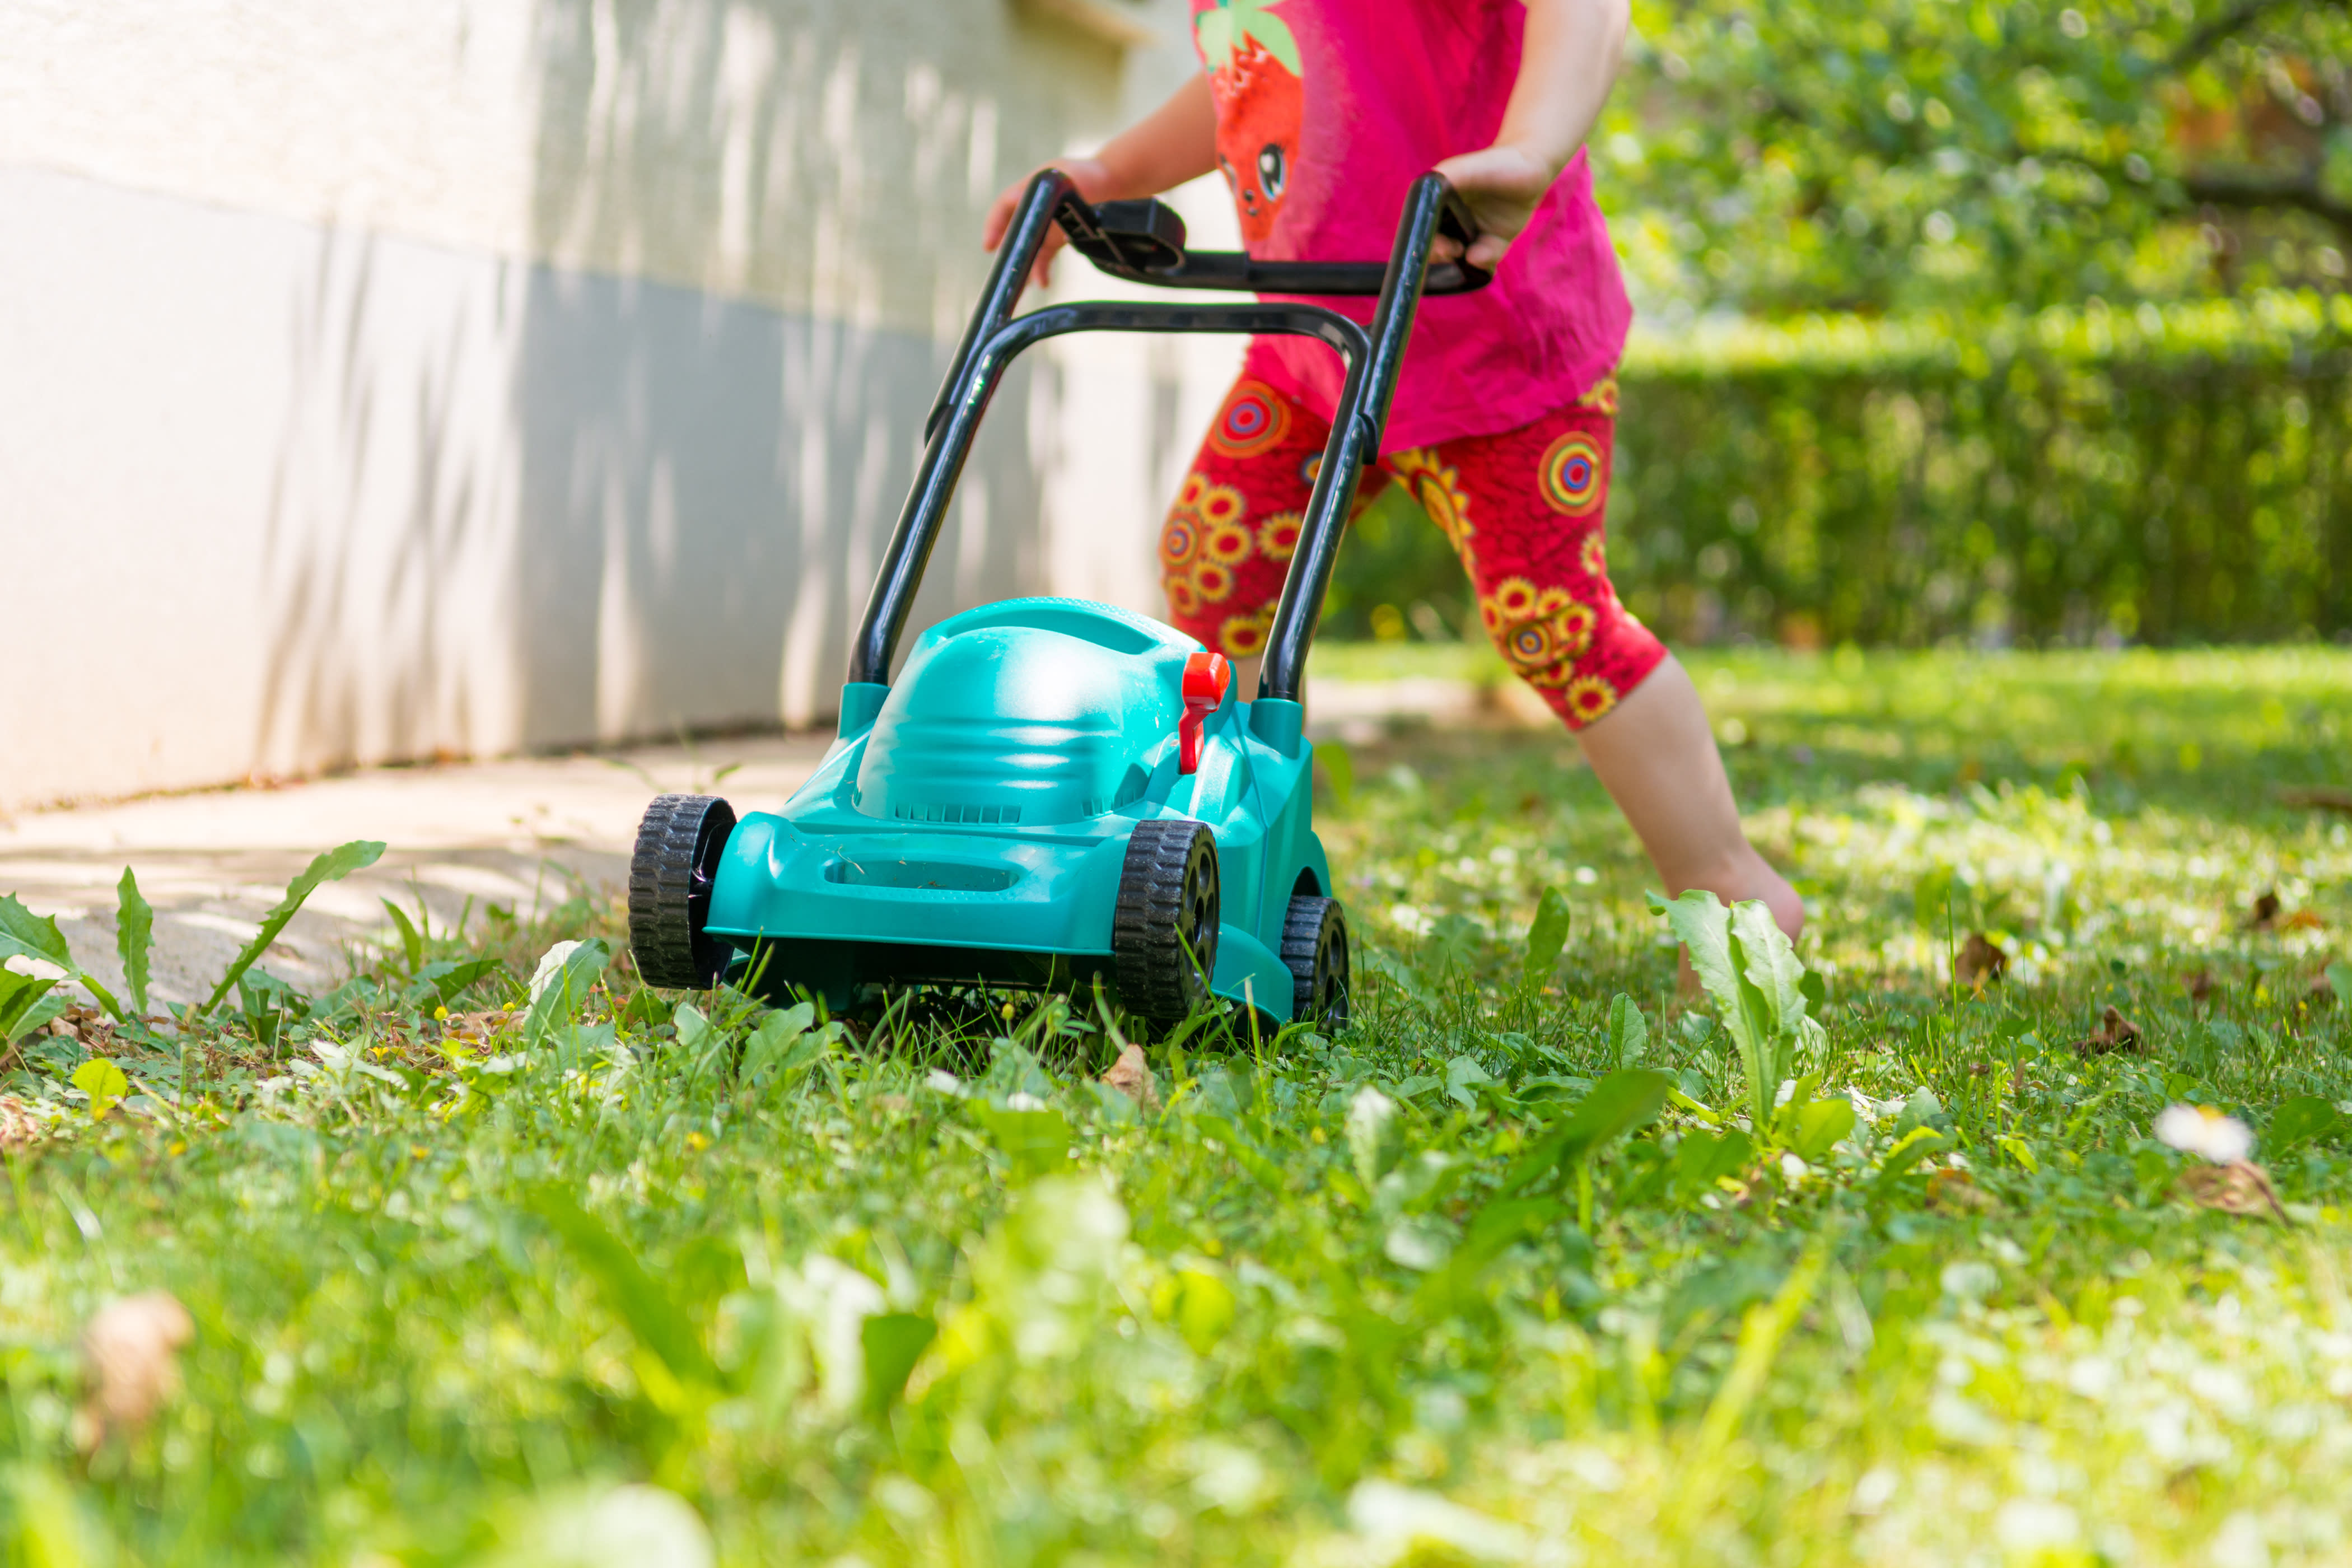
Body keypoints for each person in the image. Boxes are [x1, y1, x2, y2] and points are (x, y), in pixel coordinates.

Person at [983, 0, 1802, 941]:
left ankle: (1733, 886)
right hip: (1317, 351)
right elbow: (1252, 73)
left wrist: (1532, 151)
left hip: (1495, 347)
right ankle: (1234, 867)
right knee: (1215, 565)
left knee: (1553, 621)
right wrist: (1109, 173)